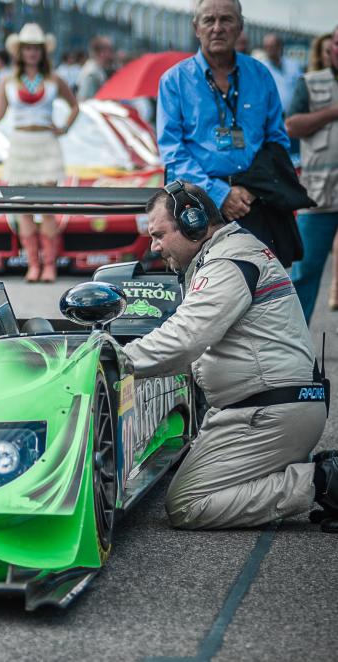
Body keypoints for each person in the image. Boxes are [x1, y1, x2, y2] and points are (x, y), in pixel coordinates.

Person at [123, 181, 337, 532]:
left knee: (187, 504)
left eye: (159, 235)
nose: (154, 247)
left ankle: (323, 481)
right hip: (267, 406)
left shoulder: (227, 261)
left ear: (193, 223)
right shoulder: (230, 251)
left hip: (268, 412)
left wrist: (116, 360)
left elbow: (185, 339)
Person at [157, 0, 290, 253]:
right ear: (196, 27)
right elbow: (172, 152)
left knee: (262, 275)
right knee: (205, 277)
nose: (217, 28)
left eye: (226, 19)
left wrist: (249, 189)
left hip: (254, 201)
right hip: (197, 207)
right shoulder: (174, 81)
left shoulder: (260, 75)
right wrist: (220, 194)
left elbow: (277, 140)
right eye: (209, 20)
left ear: (240, 26)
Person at [0, 23, 79, 283]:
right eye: (27, 48)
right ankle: (33, 264)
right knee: (23, 207)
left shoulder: (54, 79)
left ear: (42, 51)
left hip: (46, 144)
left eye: (36, 48)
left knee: (47, 207)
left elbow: (74, 106)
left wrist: (63, 128)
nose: (32, 53)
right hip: (20, 144)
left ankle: (49, 265)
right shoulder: (8, 80)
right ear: (20, 51)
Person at [286, 26, 338, 323]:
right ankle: (295, 340)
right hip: (319, 195)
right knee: (305, 271)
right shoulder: (310, 83)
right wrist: (332, 112)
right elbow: (291, 126)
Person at [260, 33, 303, 114]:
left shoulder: (294, 65)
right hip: (272, 116)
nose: (269, 50)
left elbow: (301, 88)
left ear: (280, 46)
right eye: (266, 47)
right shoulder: (261, 68)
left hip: (294, 114)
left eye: (272, 46)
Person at [76, 35, 113, 101]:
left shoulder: (96, 68)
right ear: (102, 52)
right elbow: (86, 100)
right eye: (110, 50)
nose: (111, 54)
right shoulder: (92, 73)